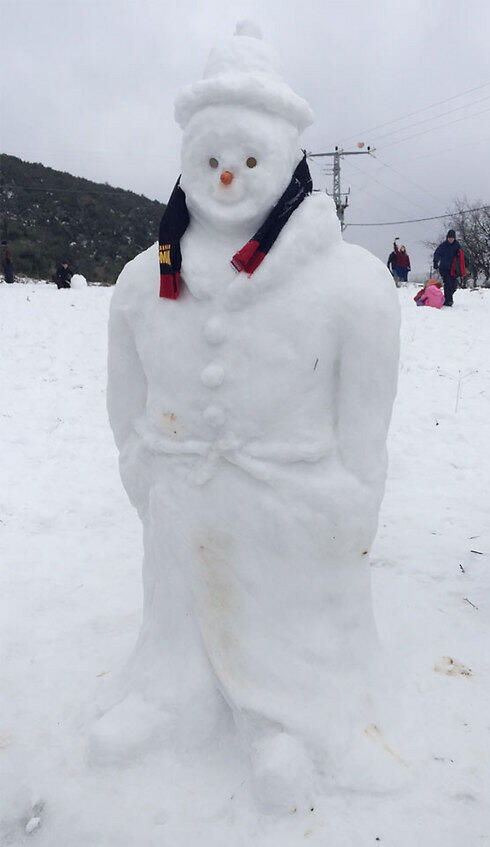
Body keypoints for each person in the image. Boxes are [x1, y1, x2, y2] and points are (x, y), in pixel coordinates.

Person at [433, 229, 466, 307]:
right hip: (444, 268)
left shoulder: (457, 245)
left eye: (452, 238)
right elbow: (437, 254)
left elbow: (462, 255)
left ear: (454, 238)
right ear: (447, 238)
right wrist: (435, 262)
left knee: (454, 285)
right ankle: (449, 301)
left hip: (453, 269)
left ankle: (446, 298)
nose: (451, 239)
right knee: (447, 284)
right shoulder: (443, 246)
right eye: (449, 238)